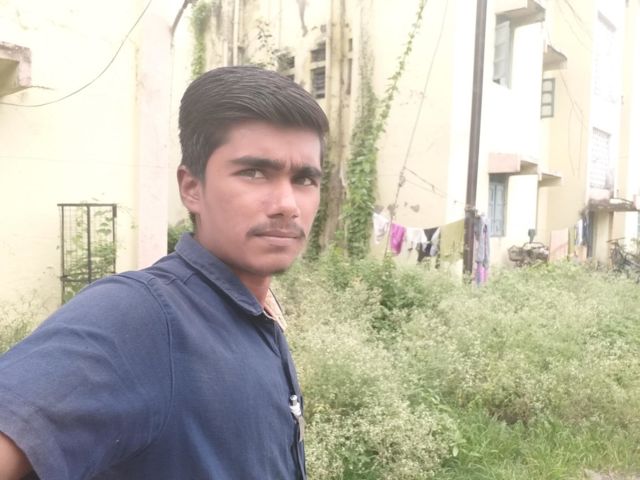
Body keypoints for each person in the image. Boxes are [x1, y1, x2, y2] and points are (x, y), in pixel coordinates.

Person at [0, 65, 329, 479]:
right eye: (254, 172)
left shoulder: (254, 313)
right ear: (192, 187)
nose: (287, 204)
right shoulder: (142, 317)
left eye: (304, 179)